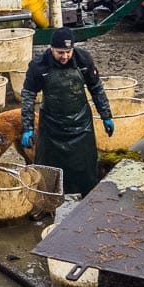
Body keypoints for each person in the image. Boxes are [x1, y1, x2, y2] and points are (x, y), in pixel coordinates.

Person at [19, 27, 114, 195]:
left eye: (68, 52)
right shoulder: (39, 66)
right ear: (51, 48)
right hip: (52, 126)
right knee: (49, 169)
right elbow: (28, 96)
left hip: (81, 125)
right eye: (60, 52)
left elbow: (96, 89)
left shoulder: (84, 60)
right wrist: (27, 127)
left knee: (86, 166)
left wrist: (106, 115)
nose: (65, 57)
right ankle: (47, 204)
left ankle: (88, 199)